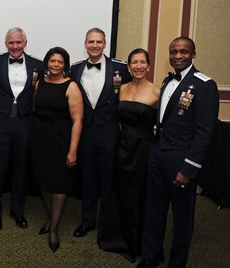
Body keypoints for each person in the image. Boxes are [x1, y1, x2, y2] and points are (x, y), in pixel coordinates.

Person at [137, 37, 219, 268]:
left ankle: (177, 262)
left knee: (182, 216)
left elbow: (205, 133)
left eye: (183, 51)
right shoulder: (167, 80)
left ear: (194, 54)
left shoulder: (205, 85)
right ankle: (151, 255)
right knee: (154, 209)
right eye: (173, 52)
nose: (178, 56)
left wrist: (188, 168)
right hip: (158, 153)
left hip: (181, 158)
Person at [98, 48, 160, 262]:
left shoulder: (157, 92)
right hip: (122, 147)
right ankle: (118, 238)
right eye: (134, 62)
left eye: (143, 62)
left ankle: (139, 243)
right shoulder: (121, 89)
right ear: (129, 66)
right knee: (121, 192)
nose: (139, 66)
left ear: (149, 66)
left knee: (140, 195)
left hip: (143, 149)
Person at [70, 27, 131, 239]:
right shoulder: (75, 69)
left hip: (109, 131)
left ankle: (106, 223)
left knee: (107, 178)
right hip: (85, 130)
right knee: (87, 178)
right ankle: (87, 221)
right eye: (91, 42)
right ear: (85, 44)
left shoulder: (121, 68)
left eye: (99, 41)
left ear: (105, 44)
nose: (95, 45)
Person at [0, 27, 44, 231]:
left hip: (24, 123)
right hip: (0, 123)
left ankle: (17, 211)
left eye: (18, 42)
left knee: (20, 170)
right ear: (6, 44)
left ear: (25, 43)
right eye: (11, 42)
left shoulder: (38, 64)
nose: (15, 46)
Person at [31, 47, 83, 252]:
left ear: (65, 65)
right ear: (47, 63)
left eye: (60, 62)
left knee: (60, 182)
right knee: (43, 179)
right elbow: (37, 108)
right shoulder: (40, 83)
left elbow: (78, 121)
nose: (55, 65)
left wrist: (72, 151)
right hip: (40, 137)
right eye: (52, 61)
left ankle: (53, 228)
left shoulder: (71, 87)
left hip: (62, 137)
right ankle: (52, 217)